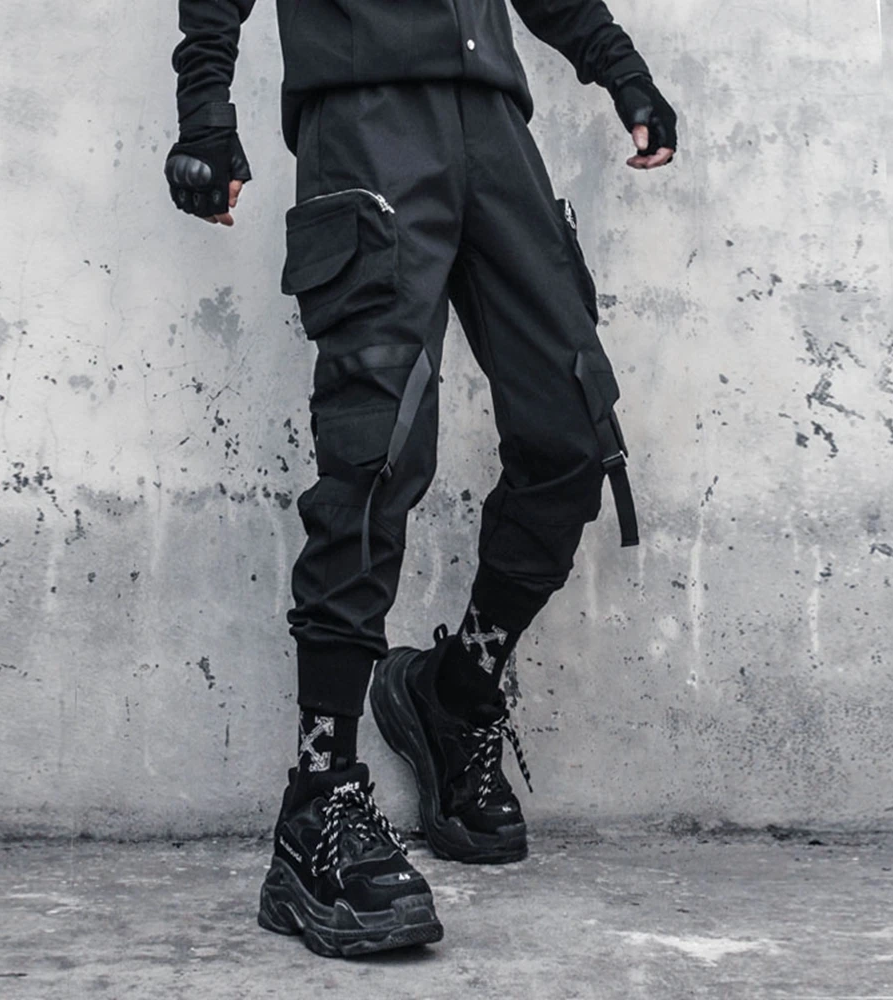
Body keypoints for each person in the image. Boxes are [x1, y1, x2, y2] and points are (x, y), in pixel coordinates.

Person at [166, 0, 677, 959]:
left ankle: (456, 687)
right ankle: (318, 798)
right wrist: (205, 113)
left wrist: (622, 70)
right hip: (366, 125)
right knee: (377, 452)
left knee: (573, 432)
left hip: (495, 132)